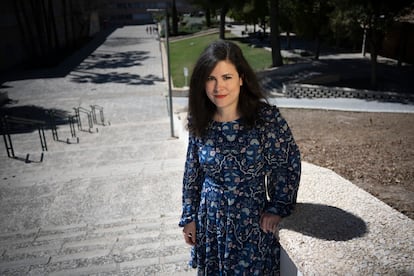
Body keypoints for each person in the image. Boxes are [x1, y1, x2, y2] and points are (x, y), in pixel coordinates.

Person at [179, 40, 301, 275]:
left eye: (226, 77)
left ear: (241, 78)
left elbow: (287, 164)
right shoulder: (200, 119)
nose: (218, 87)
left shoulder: (266, 120)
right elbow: (192, 172)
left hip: (252, 223)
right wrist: (188, 217)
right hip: (210, 222)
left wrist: (278, 207)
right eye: (210, 78)